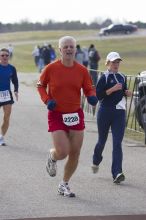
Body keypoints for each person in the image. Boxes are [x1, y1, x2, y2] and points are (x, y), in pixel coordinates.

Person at [37, 36, 98, 197]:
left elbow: (88, 88)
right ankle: (53, 155)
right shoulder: (50, 68)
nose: (69, 49)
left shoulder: (82, 70)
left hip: (75, 114)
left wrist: (91, 96)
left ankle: (64, 184)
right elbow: (40, 86)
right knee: (63, 151)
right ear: (60, 50)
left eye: (72, 46)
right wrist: (47, 100)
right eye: (66, 47)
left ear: (75, 49)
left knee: (75, 152)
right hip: (56, 114)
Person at [91, 52, 132, 184]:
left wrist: (127, 92)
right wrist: (112, 89)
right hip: (105, 112)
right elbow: (98, 96)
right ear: (108, 63)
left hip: (119, 113)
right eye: (113, 62)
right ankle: (96, 160)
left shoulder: (122, 76)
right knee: (101, 141)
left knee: (117, 143)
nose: (116, 65)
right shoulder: (104, 77)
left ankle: (117, 173)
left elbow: (124, 90)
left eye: (118, 62)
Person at [0, 48, 19, 146]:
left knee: (6, 117)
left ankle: (1, 137)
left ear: (9, 56)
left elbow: (15, 80)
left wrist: (16, 90)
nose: (4, 57)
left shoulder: (12, 68)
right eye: (2, 55)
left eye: (6, 55)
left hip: (7, 95)